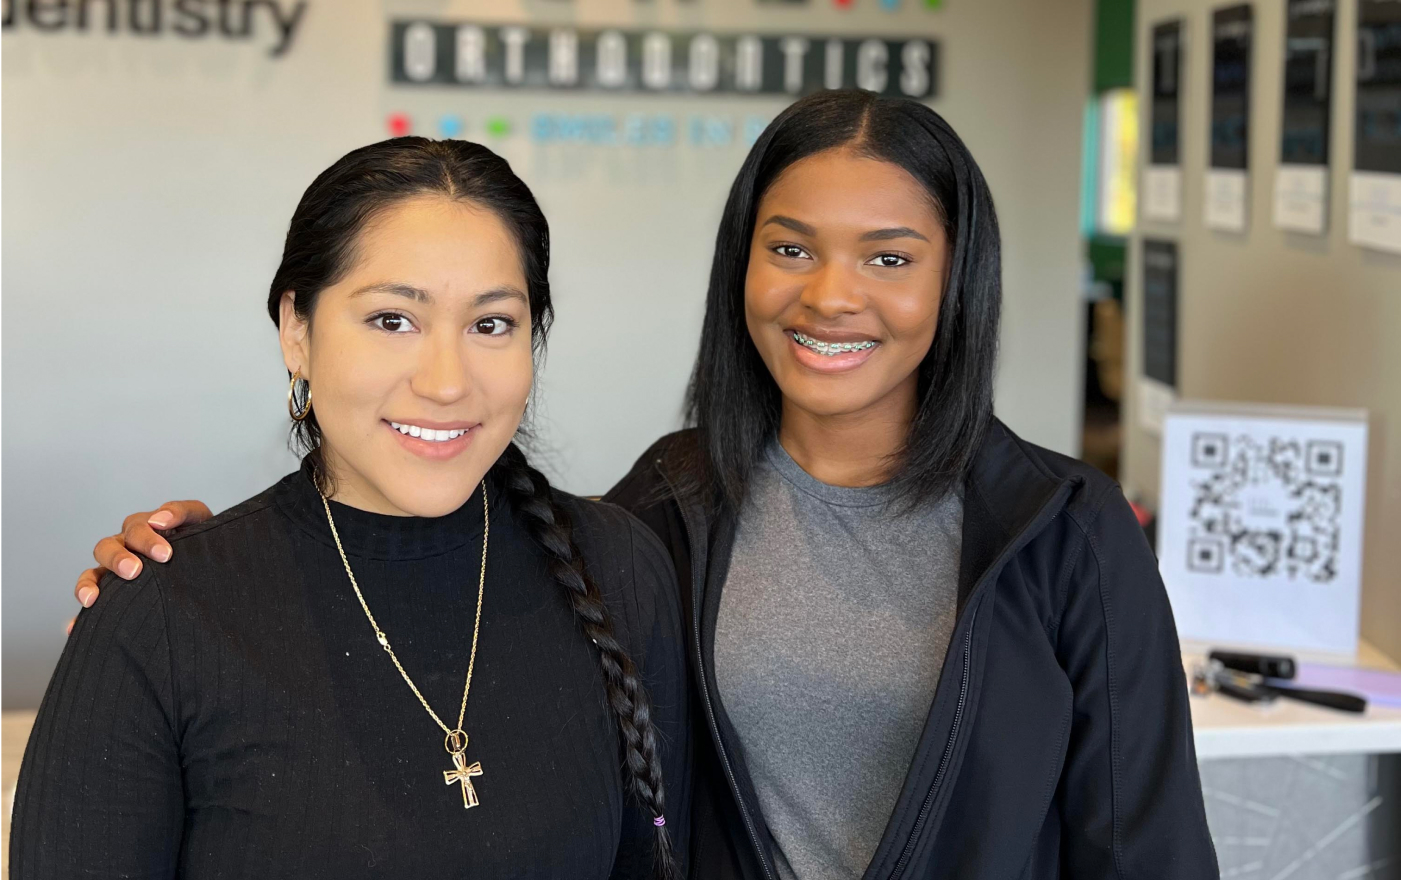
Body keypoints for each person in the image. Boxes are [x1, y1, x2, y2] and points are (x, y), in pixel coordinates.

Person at [69, 90, 1218, 879]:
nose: (831, 296)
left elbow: (1146, 847)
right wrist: (192, 577)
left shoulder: (1061, 533)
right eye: (789, 247)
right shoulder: (664, 517)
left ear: (957, 280)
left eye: (889, 255)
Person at [15, 138, 689, 879]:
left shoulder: (620, 569)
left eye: (491, 324)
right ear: (296, 331)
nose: (445, 381)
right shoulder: (165, 616)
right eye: (392, 320)